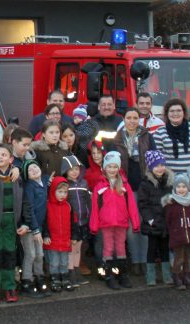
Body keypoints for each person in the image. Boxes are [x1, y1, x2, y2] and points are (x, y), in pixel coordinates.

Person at [0, 144, 34, 303]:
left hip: (12, 222)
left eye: (4, 154)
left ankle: (10, 288)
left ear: (11, 159)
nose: (0, 157)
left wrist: (25, 223)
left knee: (10, 256)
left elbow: (25, 201)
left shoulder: (17, 176)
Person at [113, 107, 155, 275]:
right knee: (130, 226)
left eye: (135, 118)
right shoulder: (117, 138)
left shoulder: (147, 136)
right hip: (125, 188)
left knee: (144, 224)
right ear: (124, 119)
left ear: (139, 120)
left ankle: (145, 261)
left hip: (144, 187)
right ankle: (135, 261)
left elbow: (153, 158)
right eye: (129, 118)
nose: (132, 121)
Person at [89, 151, 140, 290]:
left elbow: (132, 206)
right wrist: (94, 225)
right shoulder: (99, 186)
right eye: (109, 167)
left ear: (119, 168)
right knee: (108, 248)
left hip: (121, 222)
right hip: (105, 223)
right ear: (104, 168)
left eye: (115, 167)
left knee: (120, 247)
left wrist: (135, 223)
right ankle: (109, 275)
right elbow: (95, 208)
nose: (112, 170)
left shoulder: (124, 185)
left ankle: (122, 274)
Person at [137, 150, 174, 286]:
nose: (160, 168)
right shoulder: (145, 184)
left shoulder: (169, 182)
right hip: (153, 222)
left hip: (166, 222)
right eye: (157, 166)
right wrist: (150, 220)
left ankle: (166, 275)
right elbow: (143, 204)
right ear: (151, 167)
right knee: (151, 250)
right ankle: (150, 275)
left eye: (162, 165)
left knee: (165, 248)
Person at [161, 174, 190, 290]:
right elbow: (169, 220)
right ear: (174, 188)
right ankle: (177, 277)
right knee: (179, 258)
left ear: (188, 188)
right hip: (177, 235)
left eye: (184, 186)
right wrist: (173, 230)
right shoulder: (171, 203)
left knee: (188, 258)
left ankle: (187, 276)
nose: (181, 189)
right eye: (178, 187)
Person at [152, 98, 190, 174]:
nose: (175, 114)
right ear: (167, 113)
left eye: (179, 110)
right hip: (170, 179)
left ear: (184, 112)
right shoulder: (160, 132)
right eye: (172, 111)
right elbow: (157, 158)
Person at [43, 176, 79, 292]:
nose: (63, 194)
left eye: (65, 192)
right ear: (53, 191)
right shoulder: (47, 205)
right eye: (60, 192)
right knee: (54, 262)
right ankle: (55, 279)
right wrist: (46, 235)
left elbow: (73, 222)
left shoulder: (68, 206)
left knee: (64, 261)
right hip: (52, 239)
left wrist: (74, 236)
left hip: (65, 239)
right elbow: (44, 222)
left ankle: (65, 278)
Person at [20, 160, 49, 298]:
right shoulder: (29, 187)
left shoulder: (44, 183)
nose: (34, 170)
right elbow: (29, 208)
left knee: (40, 254)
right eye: (30, 170)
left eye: (35, 166)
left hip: (40, 226)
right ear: (27, 175)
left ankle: (39, 278)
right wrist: (35, 229)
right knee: (30, 254)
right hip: (30, 227)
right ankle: (27, 280)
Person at [62, 155, 92, 286]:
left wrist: (90, 216)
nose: (75, 172)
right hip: (71, 223)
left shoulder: (84, 183)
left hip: (83, 221)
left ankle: (77, 270)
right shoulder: (64, 185)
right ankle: (70, 273)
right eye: (71, 169)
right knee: (71, 248)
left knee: (78, 248)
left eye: (77, 169)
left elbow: (88, 202)